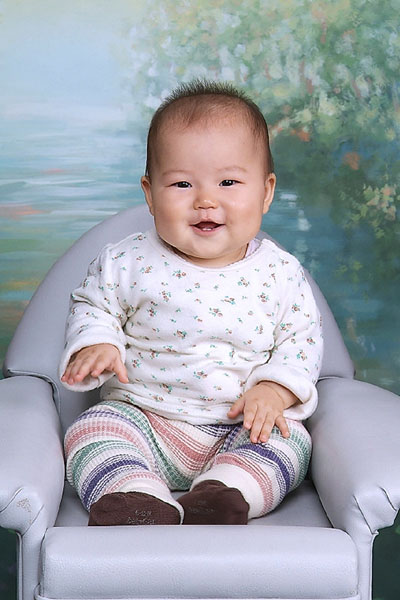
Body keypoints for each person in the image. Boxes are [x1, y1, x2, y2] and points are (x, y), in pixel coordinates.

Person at [59, 79, 323, 526]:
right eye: (182, 183)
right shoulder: (126, 261)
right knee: (91, 429)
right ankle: (135, 494)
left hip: (240, 427)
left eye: (228, 182)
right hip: (144, 417)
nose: (205, 200)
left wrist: (274, 390)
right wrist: (97, 342)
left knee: (290, 441)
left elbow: (301, 341)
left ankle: (224, 492)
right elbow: (93, 305)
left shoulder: (280, 273)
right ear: (150, 193)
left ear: (266, 191)